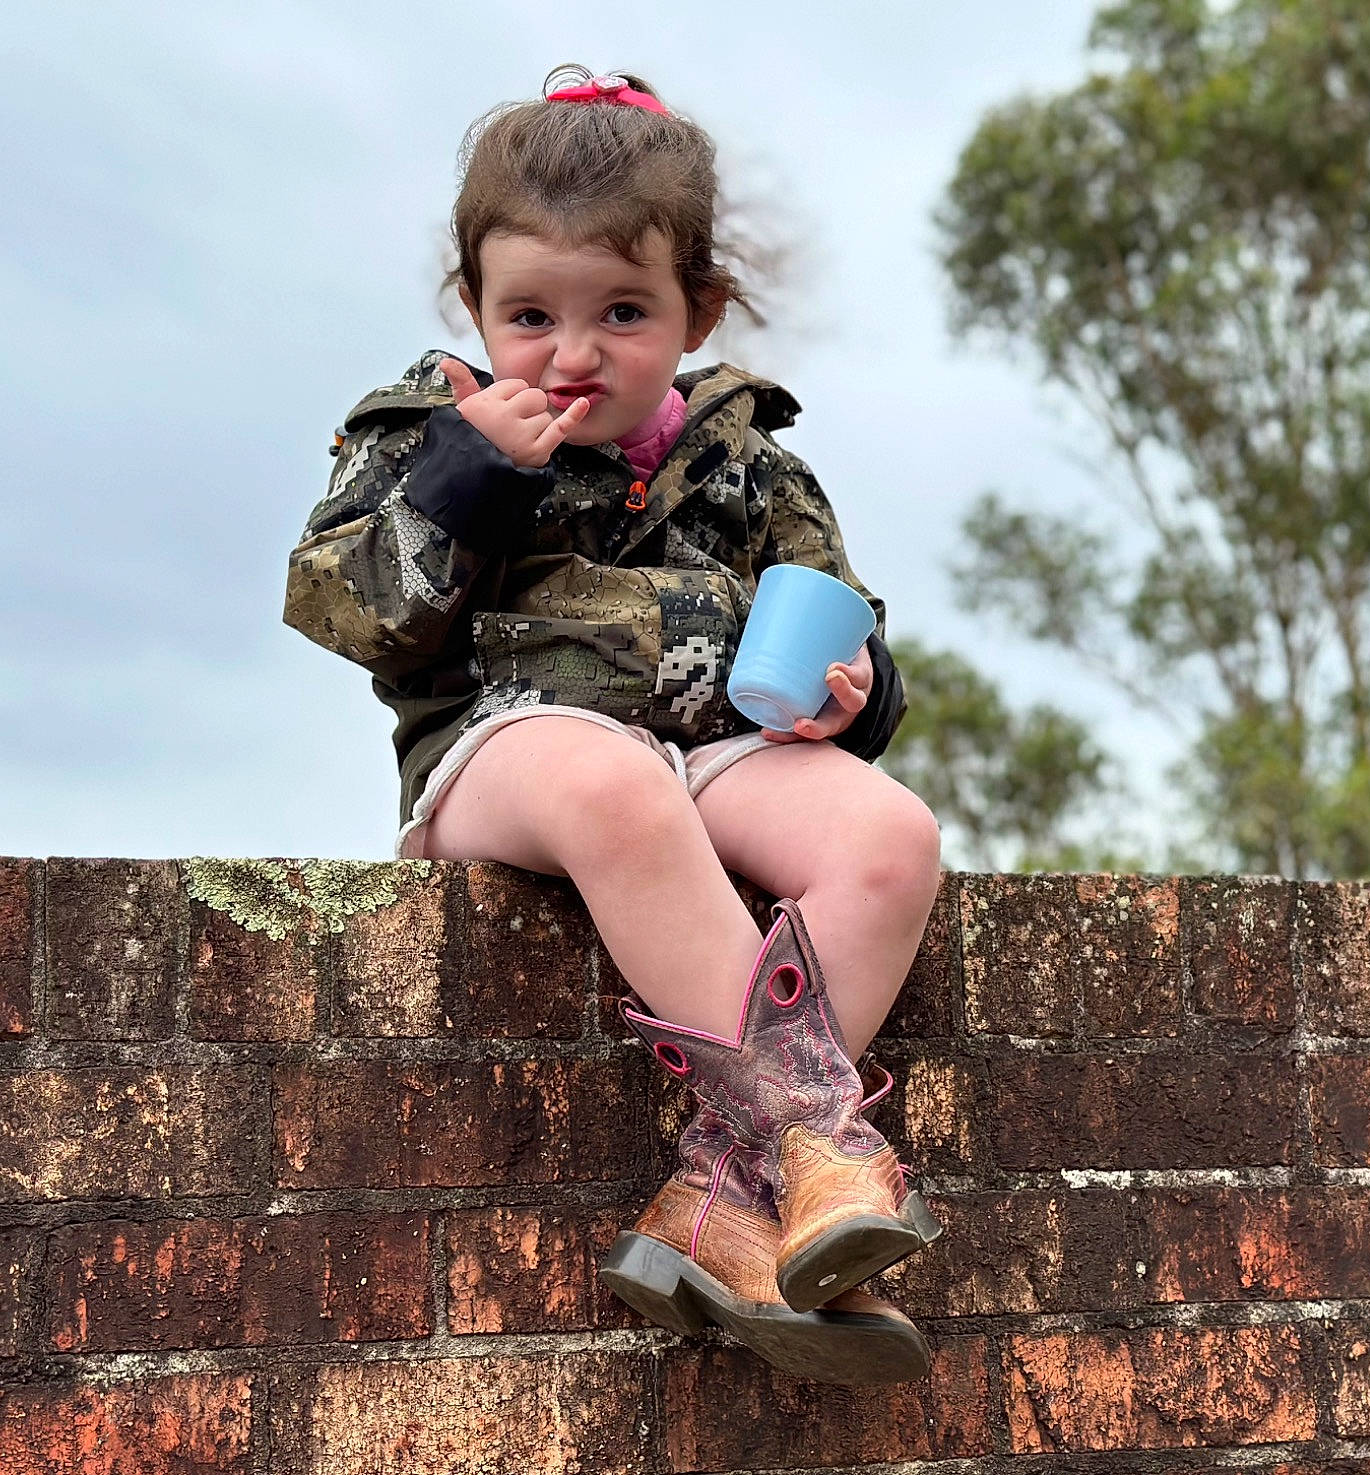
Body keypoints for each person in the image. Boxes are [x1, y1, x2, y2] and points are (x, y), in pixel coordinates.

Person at [283, 65, 943, 1385]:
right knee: (611, 790)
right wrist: (472, 474)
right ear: (471, 305)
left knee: (890, 836)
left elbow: (836, 614)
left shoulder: (752, 459)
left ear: (697, 312)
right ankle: (820, 1145)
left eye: (623, 314)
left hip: (712, 744)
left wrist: (850, 687)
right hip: (506, 749)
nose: (573, 354)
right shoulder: (427, 432)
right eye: (531, 315)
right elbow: (348, 609)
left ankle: (718, 1207)